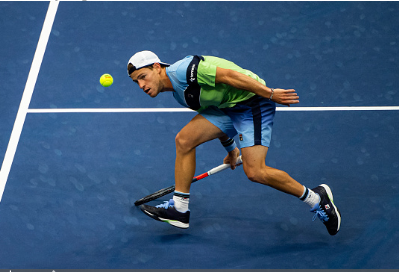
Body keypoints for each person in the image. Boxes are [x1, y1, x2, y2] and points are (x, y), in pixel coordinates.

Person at [127, 50, 341, 235]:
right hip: (228, 107)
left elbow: (229, 76)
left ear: (157, 67)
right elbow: (215, 115)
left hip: (252, 101)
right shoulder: (180, 95)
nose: (141, 85)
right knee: (185, 140)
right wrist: (231, 150)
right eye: (137, 81)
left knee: (255, 172)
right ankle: (180, 210)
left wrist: (270, 93)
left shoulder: (184, 71)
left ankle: (317, 198)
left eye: (143, 76)